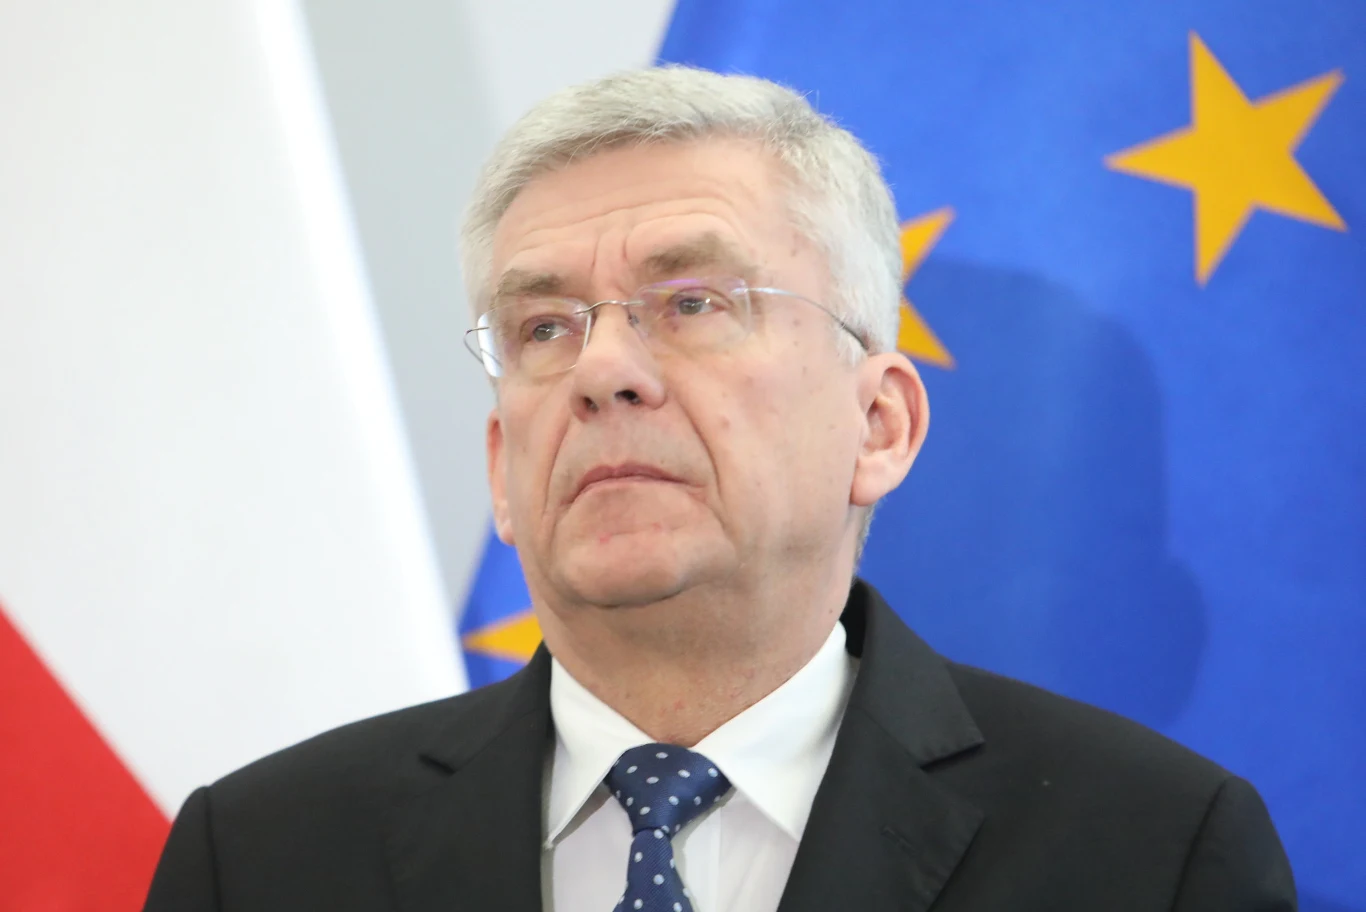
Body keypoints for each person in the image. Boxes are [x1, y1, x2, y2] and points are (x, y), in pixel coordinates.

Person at [143, 66, 1296, 911]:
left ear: (878, 425)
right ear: (501, 465)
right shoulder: (260, 859)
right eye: (542, 327)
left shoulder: (1151, 853)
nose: (601, 370)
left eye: (691, 303)